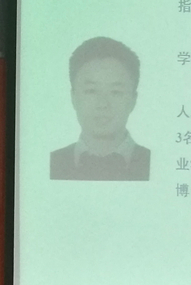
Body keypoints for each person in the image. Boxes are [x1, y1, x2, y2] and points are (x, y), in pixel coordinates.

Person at [50, 37, 150, 181]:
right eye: (91, 91)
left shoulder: (155, 163)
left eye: (115, 92)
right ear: (73, 97)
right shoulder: (52, 163)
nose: (103, 104)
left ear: (133, 100)